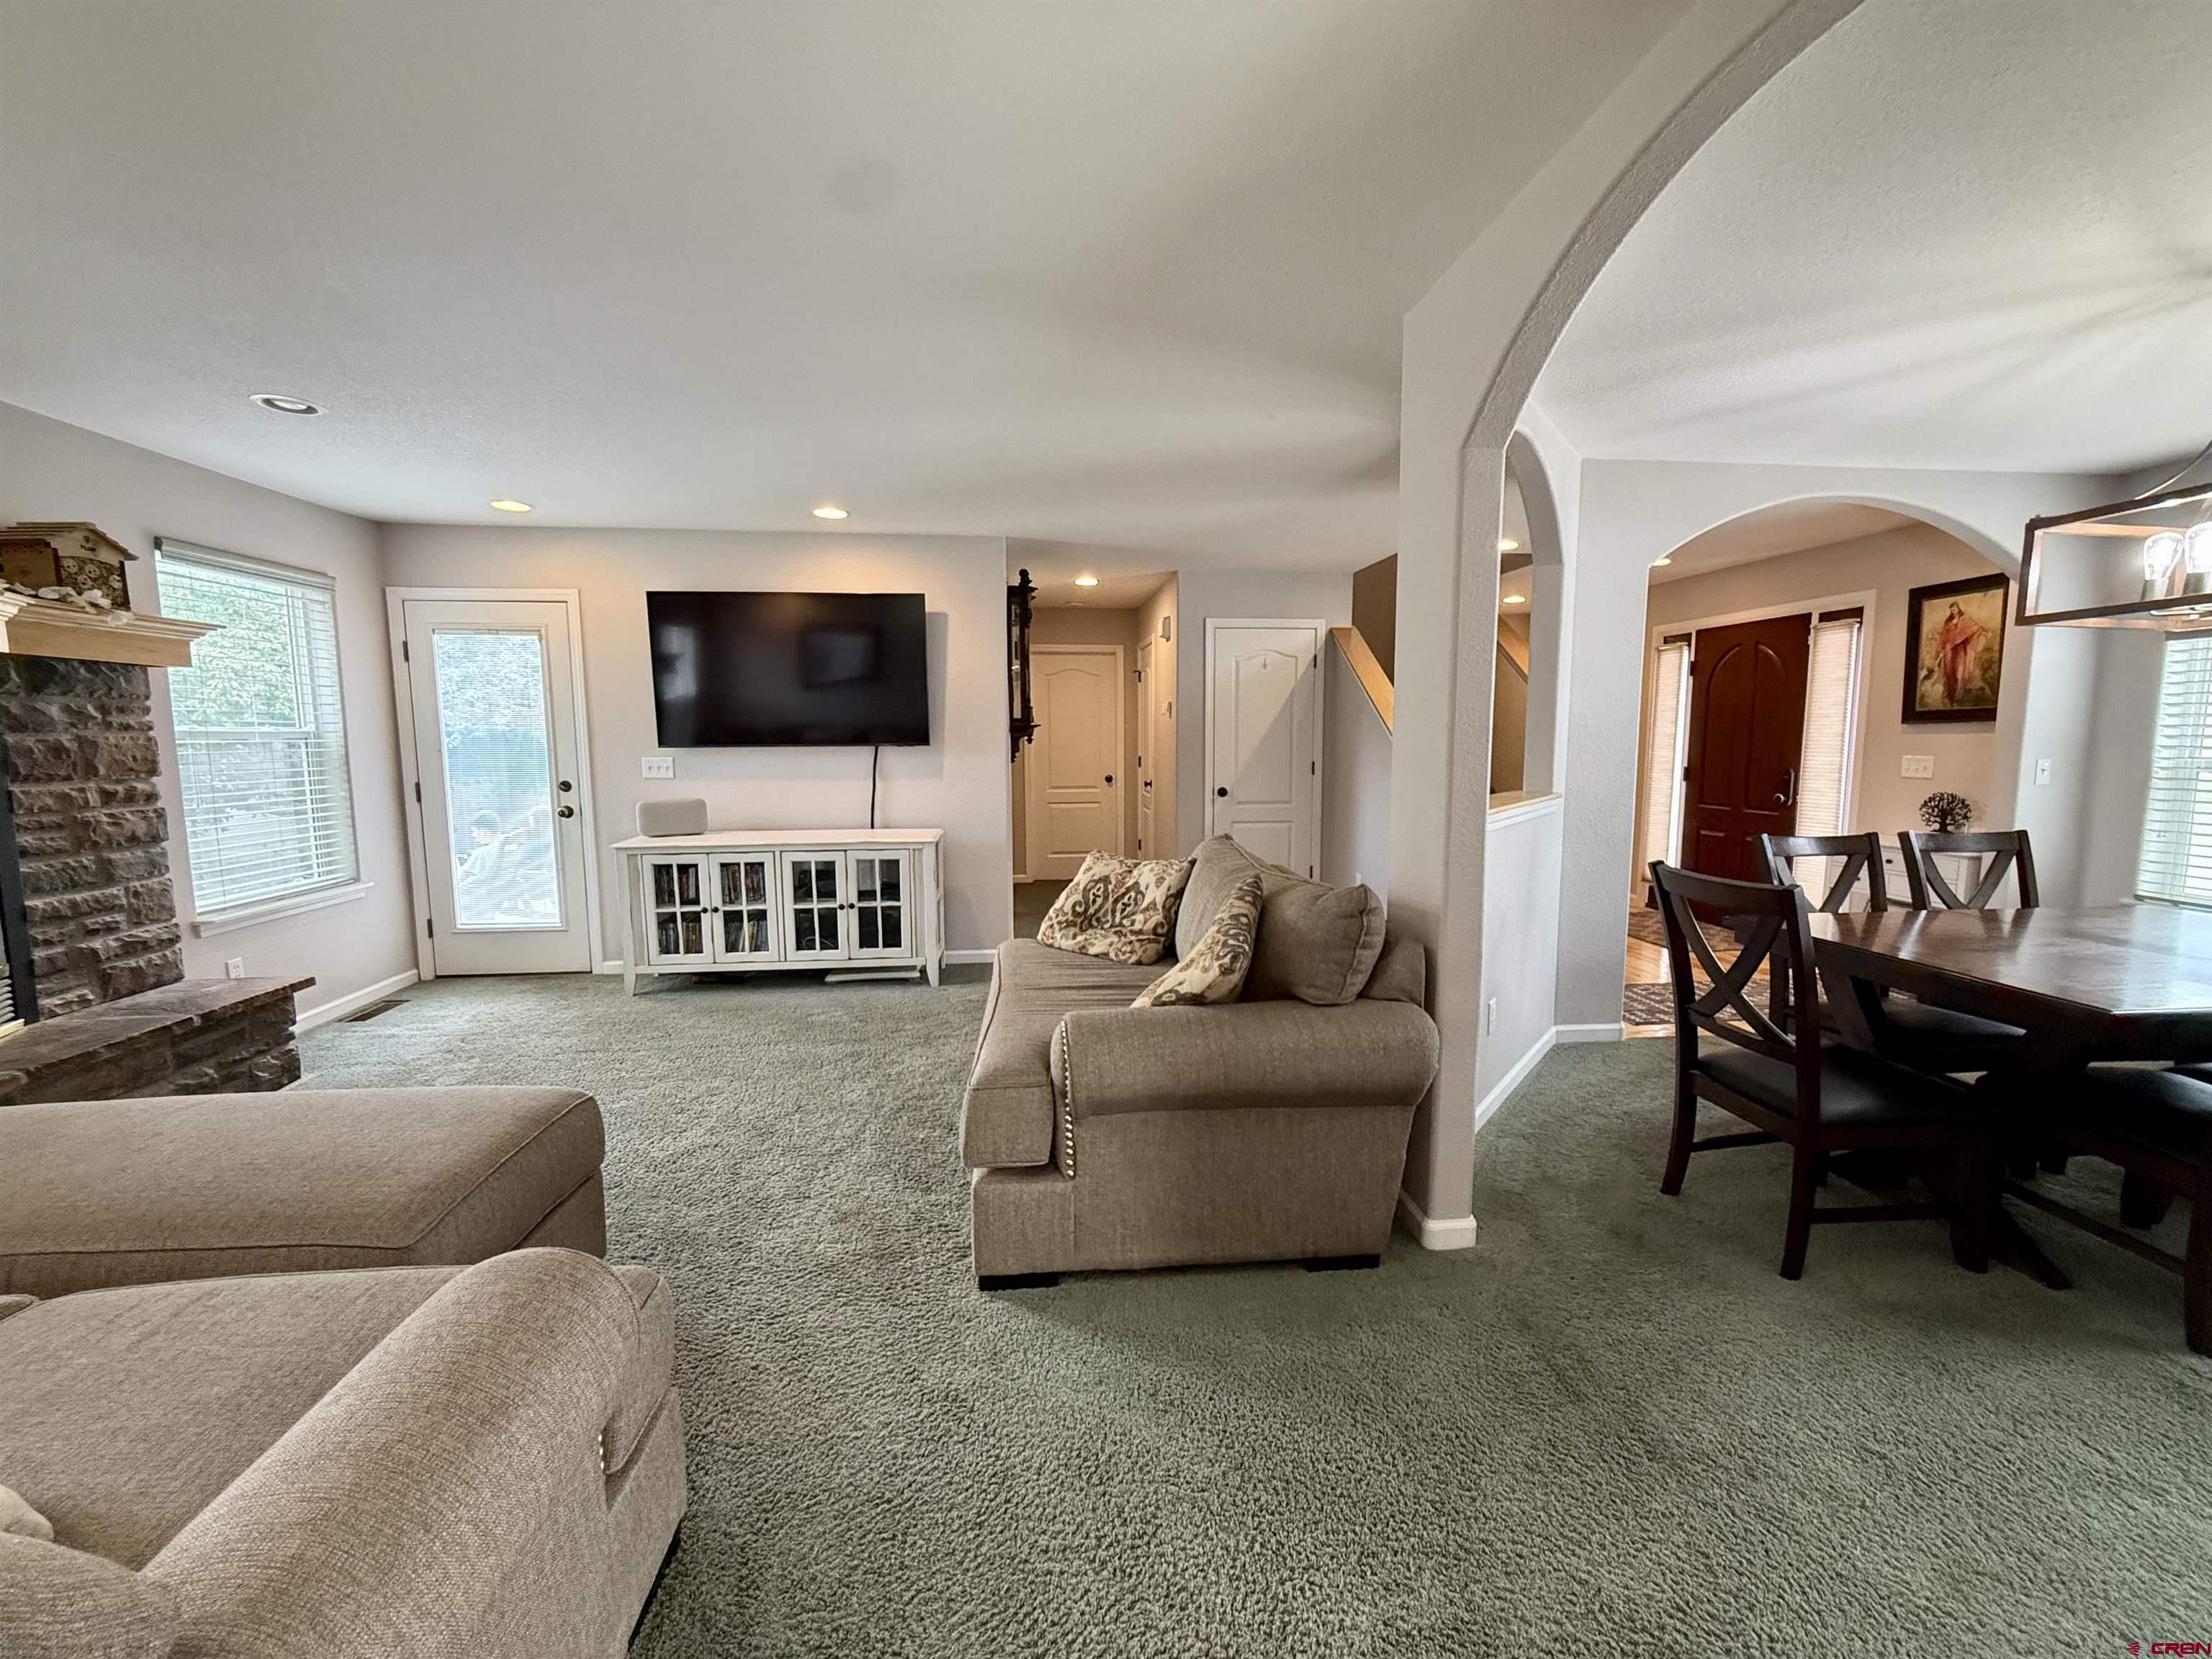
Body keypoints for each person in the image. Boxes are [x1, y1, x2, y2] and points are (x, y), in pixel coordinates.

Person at [1934, 601, 1989, 706]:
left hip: (1960, 649)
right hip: (1949, 649)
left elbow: (1974, 628)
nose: (1953, 611)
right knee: (1949, 672)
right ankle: (1950, 696)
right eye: (1951, 610)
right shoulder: (1948, 622)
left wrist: (1982, 630)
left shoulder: (1965, 619)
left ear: (1958, 609)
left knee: (1960, 672)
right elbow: (1943, 636)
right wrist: (1942, 648)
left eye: (1954, 609)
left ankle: (1957, 697)